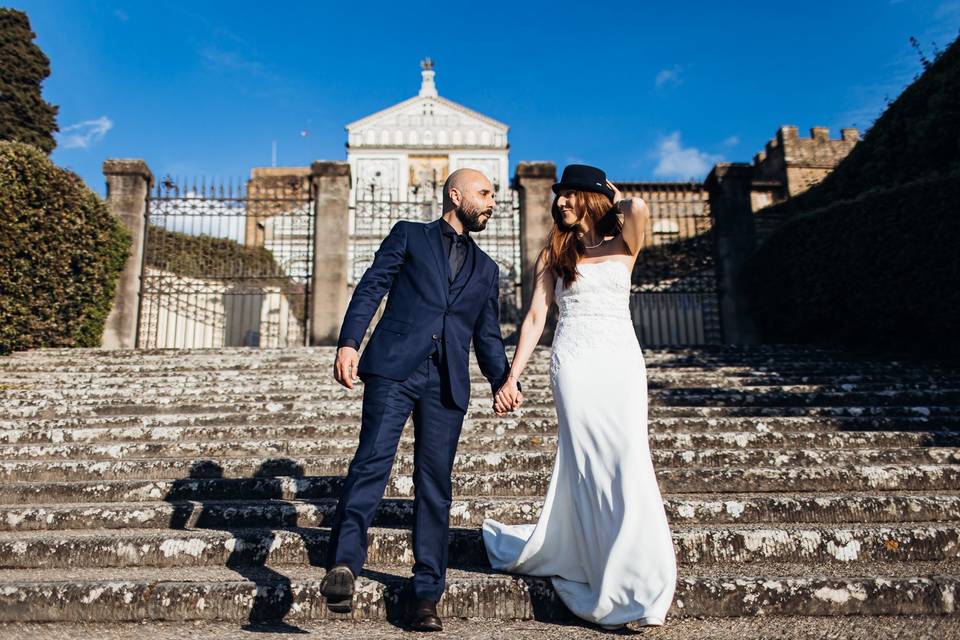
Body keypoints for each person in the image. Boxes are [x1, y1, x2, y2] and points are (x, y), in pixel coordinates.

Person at [322, 168, 523, 632]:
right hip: (394, 366)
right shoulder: (409, 236)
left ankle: (426, 592)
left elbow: (487, 335)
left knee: (435, 486)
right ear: (456, 195)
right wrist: (350, 342)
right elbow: (373, 285)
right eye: (485, 193)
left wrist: (502, 380)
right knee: (372, 461)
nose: (493, 201)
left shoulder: (488, 269)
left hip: (447, 381)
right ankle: (345, 565)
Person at [482, 164, 677, 629]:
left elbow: (639, 207)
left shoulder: (625, 239)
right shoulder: (554, 252)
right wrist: (510, 377)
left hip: (621, 361)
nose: (561, 203)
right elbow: (534, 319)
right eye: (559, 197)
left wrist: (611, 192)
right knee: (587, 463)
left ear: (592, 198)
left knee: (629, 459)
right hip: (574, 362)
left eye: (570, 196)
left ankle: (639, 576)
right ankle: (599, 563)